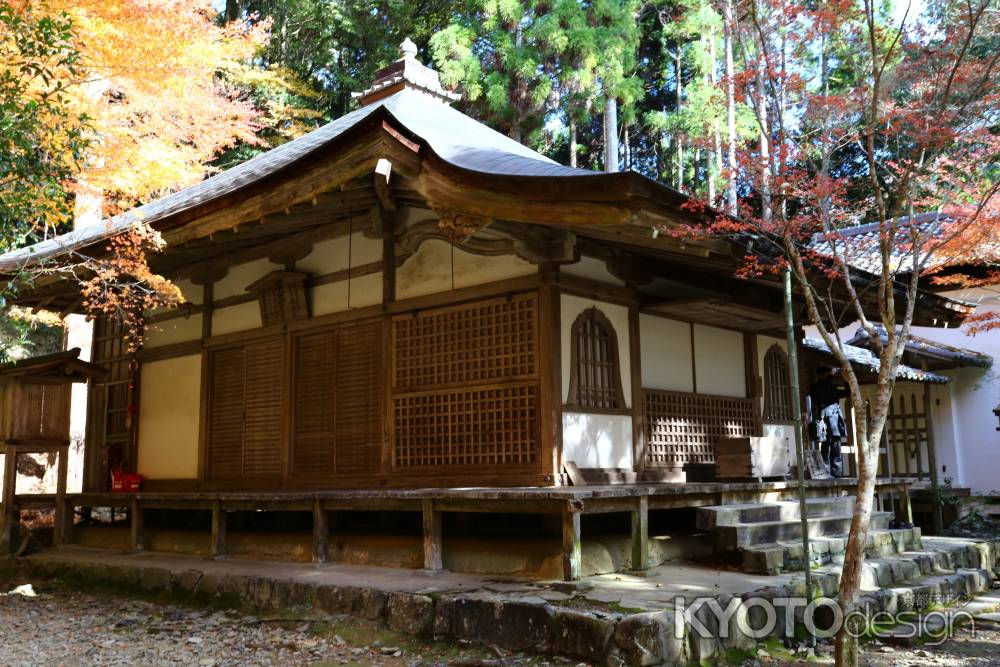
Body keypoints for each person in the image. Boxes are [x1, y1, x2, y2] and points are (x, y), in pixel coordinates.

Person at [807, 365, 850, 478]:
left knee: (827, 445)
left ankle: (827, 472)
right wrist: (845, 380)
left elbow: (846, 393)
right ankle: (835, 473)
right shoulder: (827, 386)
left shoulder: (817, 387)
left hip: (826, 416)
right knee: (832, 445)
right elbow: (847, 392)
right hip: (829, 417)